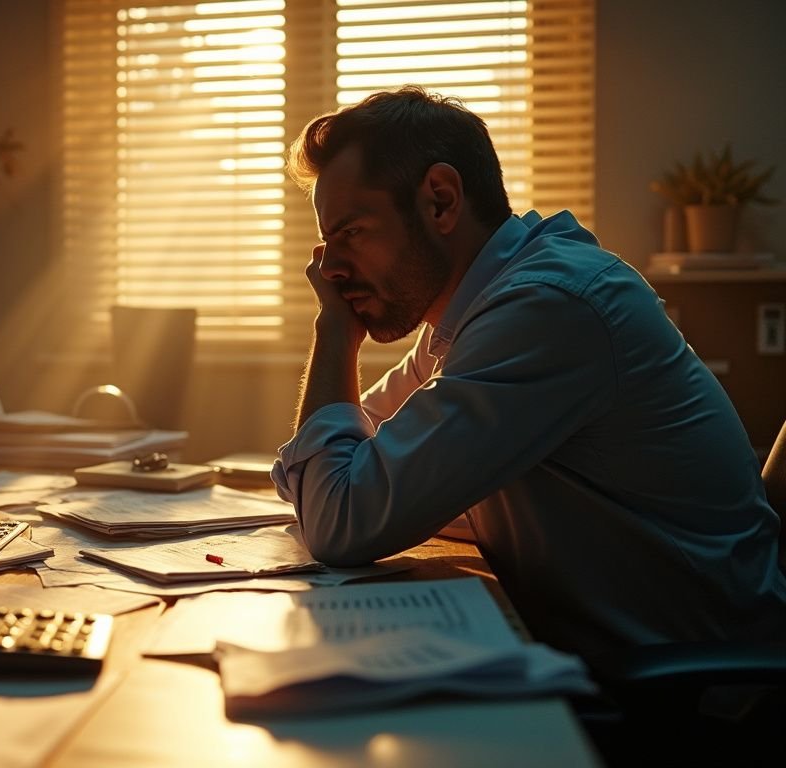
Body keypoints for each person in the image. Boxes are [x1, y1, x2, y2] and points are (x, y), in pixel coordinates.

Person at [271, 85, 786, 662]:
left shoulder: (547, 308)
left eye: (351, 233)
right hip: (602, 647)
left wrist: (333, 332)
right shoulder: (467, 318)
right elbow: (316, 477)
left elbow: (338, 518)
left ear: (440, 201)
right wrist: (346, 480)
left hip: (693, 679)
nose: (331, 270)